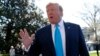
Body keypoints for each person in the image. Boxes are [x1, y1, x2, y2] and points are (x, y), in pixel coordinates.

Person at [19, 3, 89, 56]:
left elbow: (84, 52)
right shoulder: (40, 33)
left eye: (52, 9)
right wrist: (28, 46)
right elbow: (33, 54)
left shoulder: (75, 29)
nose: (50, 12)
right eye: (47, 11)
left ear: (61, 12)